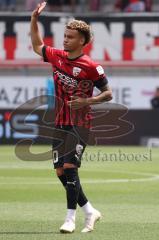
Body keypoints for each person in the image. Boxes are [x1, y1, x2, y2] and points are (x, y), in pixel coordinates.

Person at [31, 1, 112, 234]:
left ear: (82, 41)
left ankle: (70, 219)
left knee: (69, 167)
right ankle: (90, 211)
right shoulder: (56, 56)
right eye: (64, 36)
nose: (65, 39)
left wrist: (87, 101)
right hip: (60, 123)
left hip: (80, 124)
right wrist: (34, 19)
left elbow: (108, 94)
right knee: (59, 171)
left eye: (70, 37)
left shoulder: (91, 67)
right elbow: (37, 45)